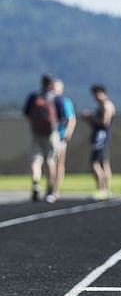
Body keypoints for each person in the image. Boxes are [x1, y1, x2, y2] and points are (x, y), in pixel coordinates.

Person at [23, 74, 64, 202]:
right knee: (50, 161)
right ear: (51, 84)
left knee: (36, 160)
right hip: (51, 134)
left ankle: (36, 182)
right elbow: (62, 117)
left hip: (36, 133)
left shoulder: (34, 96)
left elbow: (26, 113)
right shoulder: (55, 98)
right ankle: (50, 189)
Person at [81, 84, 116, 200]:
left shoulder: (106, 105)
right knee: (104, 163)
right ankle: (106, 190)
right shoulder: (102, 106)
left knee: (95, 163)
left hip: (101, 138)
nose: (95, 97)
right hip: (101, 137)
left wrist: (89, 117)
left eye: (97, 94)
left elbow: (104, 121)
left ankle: (102, 189)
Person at [49, 78, 77, 202]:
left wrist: (68, 132)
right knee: (50, 163)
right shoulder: (47, 101)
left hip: (60, 135)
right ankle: (49, 188)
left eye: (56, 87)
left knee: (59, 163)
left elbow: (71, 119)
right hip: (48, 136)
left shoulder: (65, 102)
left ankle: (55, 190)